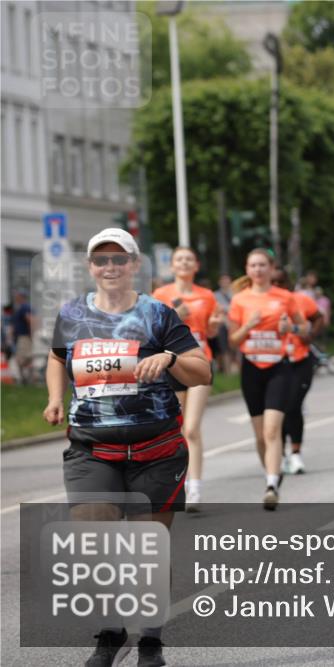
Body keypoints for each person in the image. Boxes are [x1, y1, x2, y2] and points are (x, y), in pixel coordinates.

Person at [42, 228, 210, 667]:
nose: (110, 267)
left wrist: (170, 359)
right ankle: (110, 633)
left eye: (120, 259)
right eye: (101, 260)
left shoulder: (157, 314)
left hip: (156, 450)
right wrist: (56, 398)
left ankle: (150, 641)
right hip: (92, 449)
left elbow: (203, 371)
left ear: (135, 264)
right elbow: (57, 358)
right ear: (90, 266)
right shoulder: (72, 314)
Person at [227, 249, 308, 510]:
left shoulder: (285, 297)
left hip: (278, 368)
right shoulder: (240, 300)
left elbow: (305, 327)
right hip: (251, 368)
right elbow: (233, 340)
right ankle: (271, 472)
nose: (258, 270)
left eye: (262, 265)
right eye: (253, 265)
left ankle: (272, 485)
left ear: (271, 268)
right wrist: (248, 325)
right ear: (247, 269)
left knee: (272, 430)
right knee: (260, 434)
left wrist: (290, 328)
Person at [152, 247, 224, 511]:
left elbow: (211, 332)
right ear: (172, 266)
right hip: (172, 364)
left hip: (200, 362)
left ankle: (195, 487)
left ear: (196, 266)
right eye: (179, 259)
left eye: (188, 259)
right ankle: (177, 483)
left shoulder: (207, 295)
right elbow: (150, 331)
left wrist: (215, 324)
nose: (184, 263)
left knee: (192, 428)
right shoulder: (160, 295)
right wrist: (174, 317)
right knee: (177, 429)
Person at [273, 269, 323, 475]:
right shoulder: (261, 302)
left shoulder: (300, 300)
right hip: (275, 362)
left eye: (281, 282)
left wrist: (310, 336)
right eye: (274, 282)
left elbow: (318, 317)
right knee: (277, 410)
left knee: (293, 406)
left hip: (300, 360)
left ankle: (295, 453)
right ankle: (280, 454)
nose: (278, 286)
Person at [212, 274, 237, 375]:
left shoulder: (235, 294)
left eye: (226, 280)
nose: (225, 283)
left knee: (236, 349)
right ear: (219, 282)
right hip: (222, 324)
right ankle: (227, 371)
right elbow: (216, 309)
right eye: (223, 281)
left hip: (235, 323)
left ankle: (238, 370)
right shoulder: (215, 295)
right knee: (224, 348)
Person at [12, 289, 35, 384]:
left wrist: (31, 333)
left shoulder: (24, 307)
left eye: (17, 296)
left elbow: (30, 319)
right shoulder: (24, 307)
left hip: (24, 337)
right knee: (24, 358)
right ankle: (26, 379)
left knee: (21, 359)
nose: (15, 297)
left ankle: (24, 379)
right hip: (23, 337)